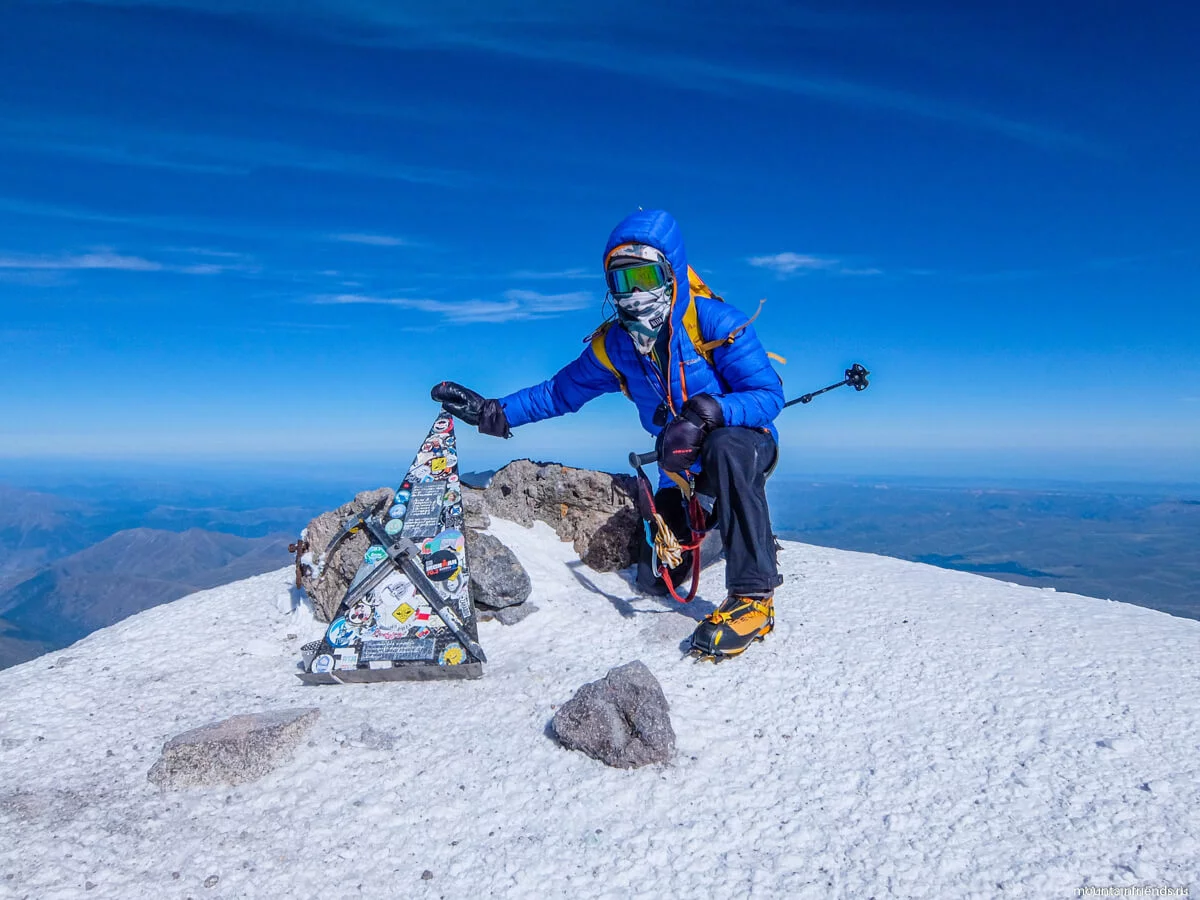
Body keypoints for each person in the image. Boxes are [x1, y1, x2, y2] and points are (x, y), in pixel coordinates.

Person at [432, 209, 784, 659]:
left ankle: (754, 598)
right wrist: (492, 412)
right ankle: (727, 530)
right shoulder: (618, 345)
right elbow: (558, 392)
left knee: (724, 445)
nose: (635, 293)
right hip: (677, 469)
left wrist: (710, 410)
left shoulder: (713, 322)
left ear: (671, 271)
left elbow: (768, 395)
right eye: (622, 281)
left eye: (645, 275)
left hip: (745, 447)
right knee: (656, 577)